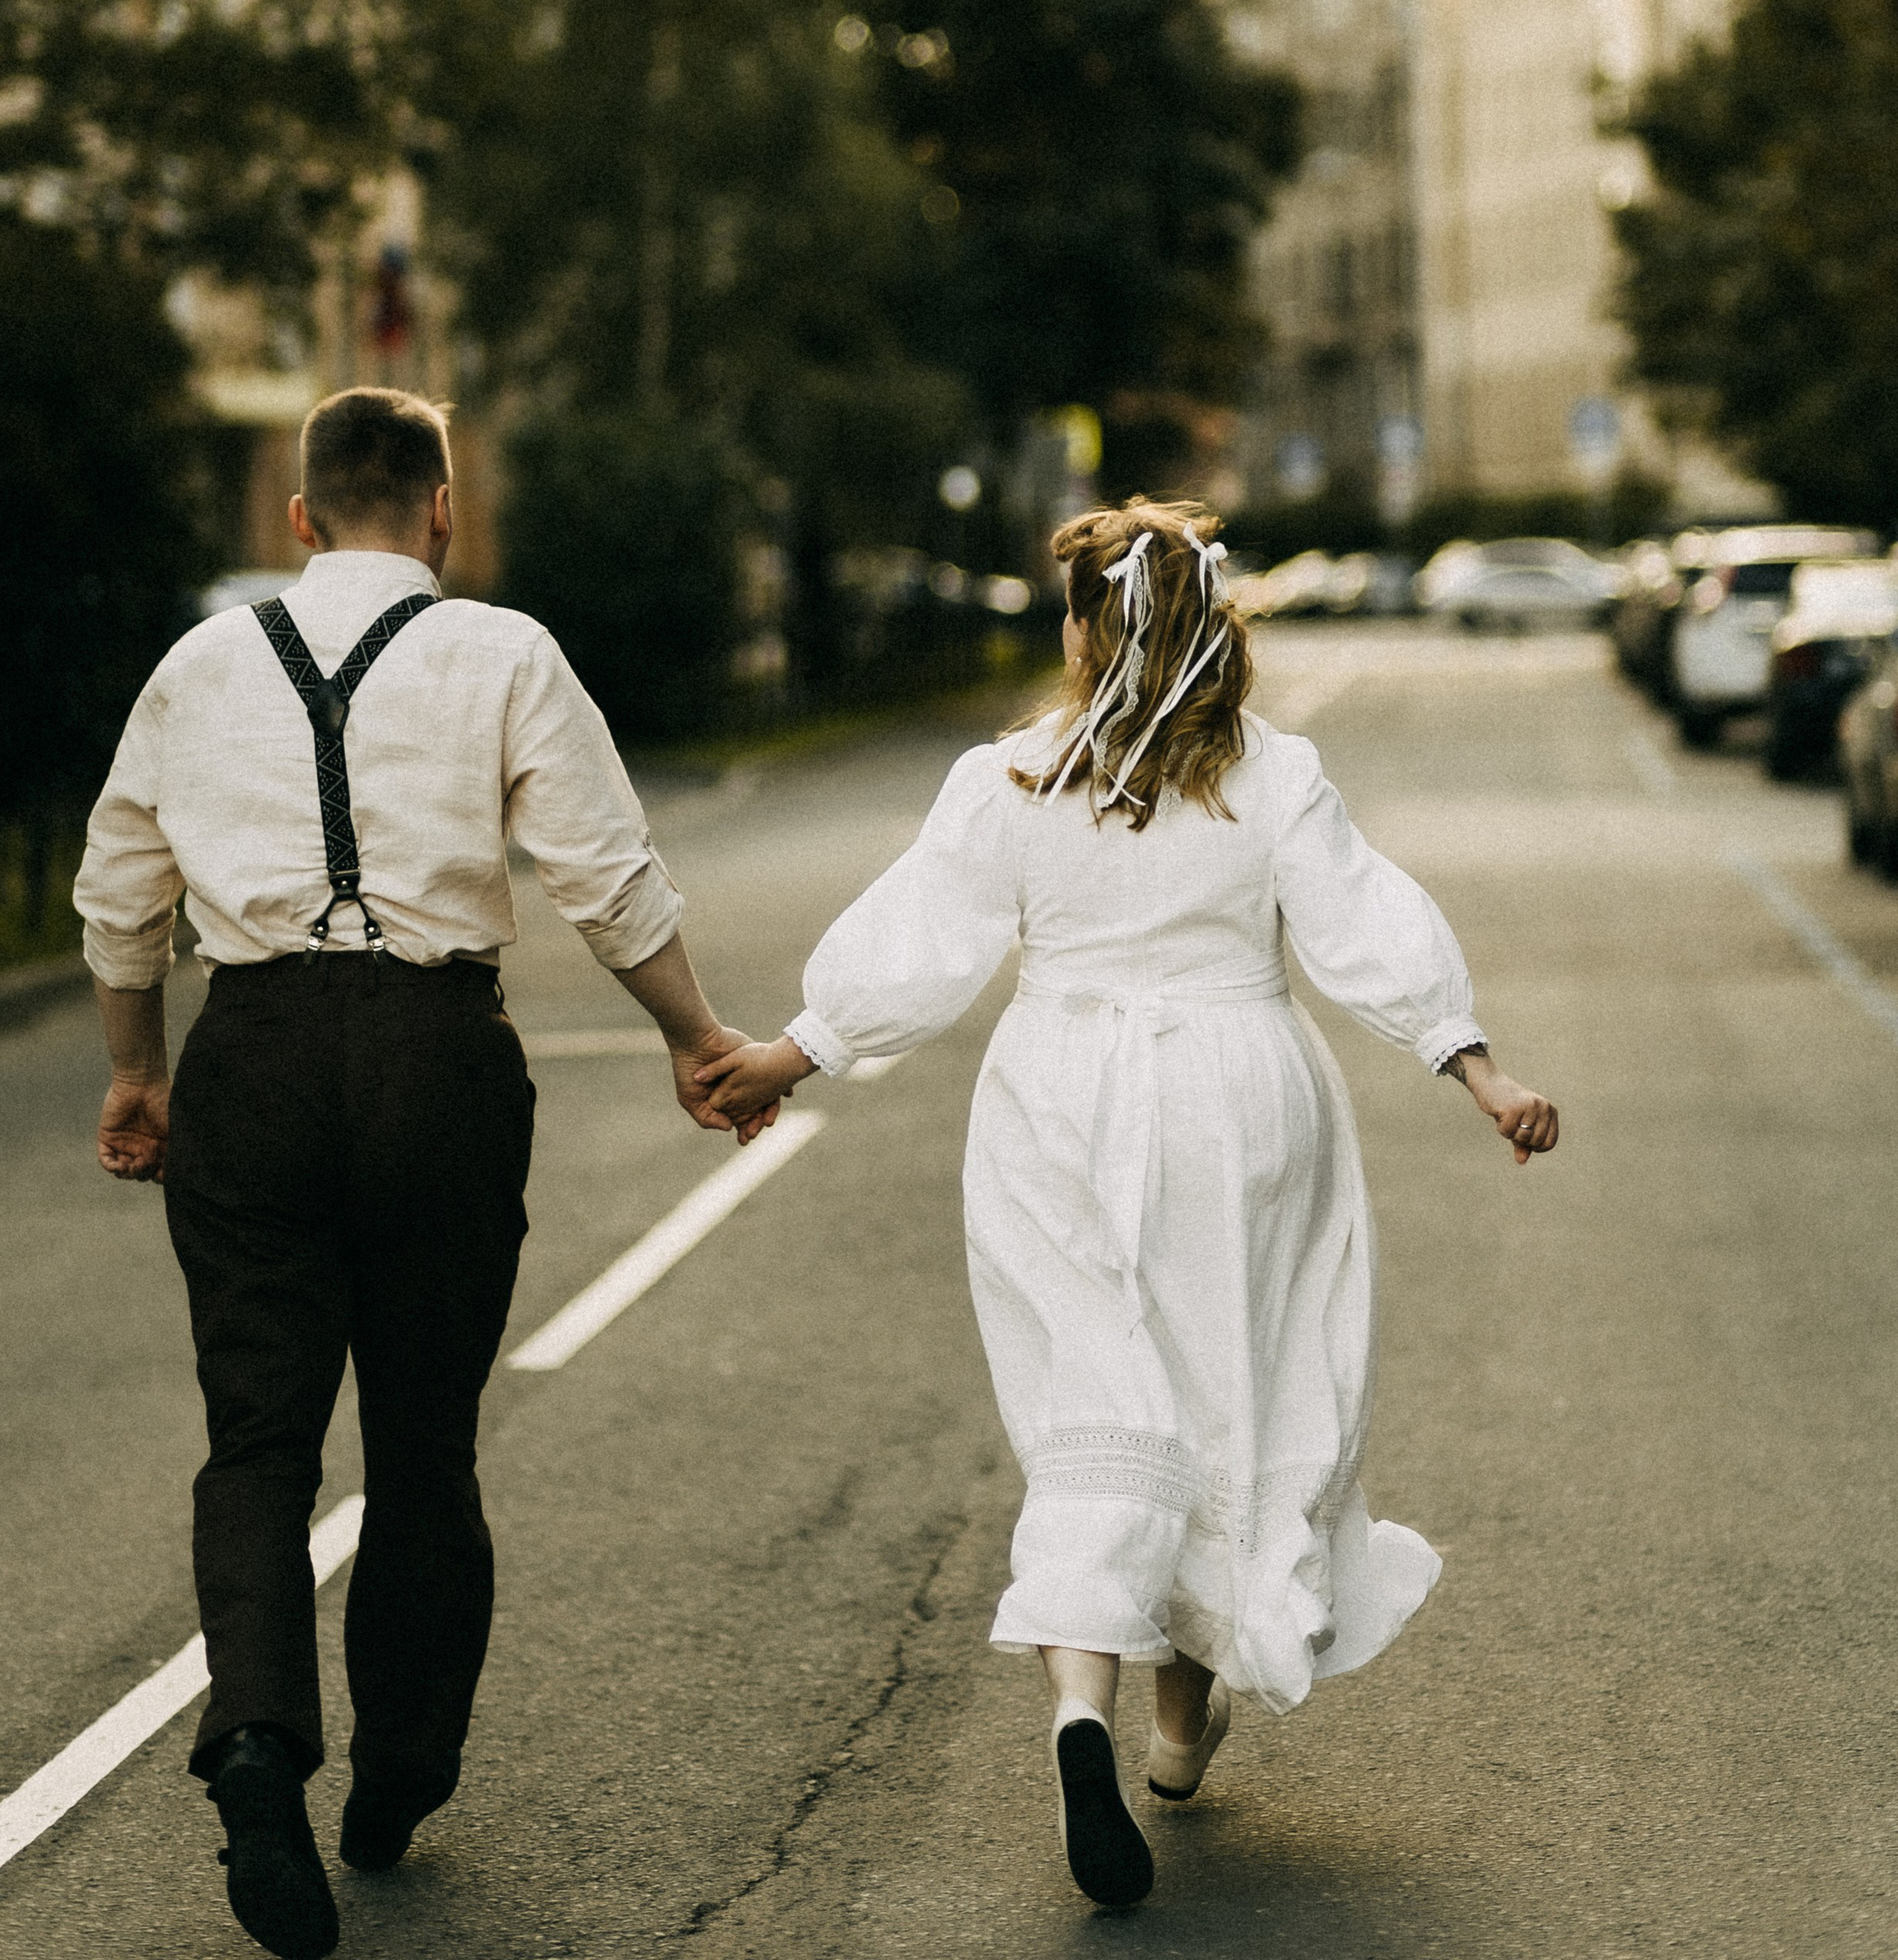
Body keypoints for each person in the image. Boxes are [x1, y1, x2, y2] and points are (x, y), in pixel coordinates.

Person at [697, 497, 1559, 1911]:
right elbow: (1364, 924)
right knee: (1232, 1398)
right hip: (1242, 1101)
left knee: (1098, 1412)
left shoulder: (1013, 780)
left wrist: (792, 1056)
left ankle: (1086, 1716)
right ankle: (1177, 1730)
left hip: (1060, 1101)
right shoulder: (1272, 778)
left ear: (1087, 633)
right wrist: (1476, 1067)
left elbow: (926, 939)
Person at [77, 387, 757, 1960]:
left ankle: (254, 1749)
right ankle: (397, 1776)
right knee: (425, 1445)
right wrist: (697, 1040)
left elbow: (120, 893)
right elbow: (606, 875)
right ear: (441, 511)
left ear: (296, 518)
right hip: (438, 1062)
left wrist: (137, 1069)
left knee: (255, 1441)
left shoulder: (194, 669)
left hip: (248, 1059)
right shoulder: (502, 654)